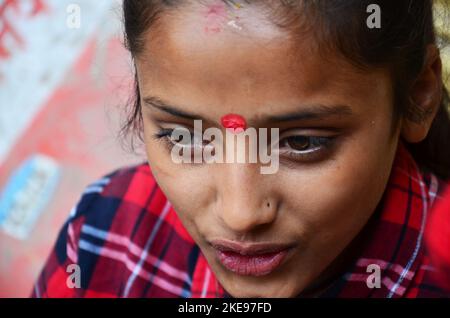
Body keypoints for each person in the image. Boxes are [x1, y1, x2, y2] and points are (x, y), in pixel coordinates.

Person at [32, 0, 450, 298]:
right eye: (186, 138)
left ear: (419, 96)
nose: (240, 214)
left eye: (301, 143)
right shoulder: (101, 234)